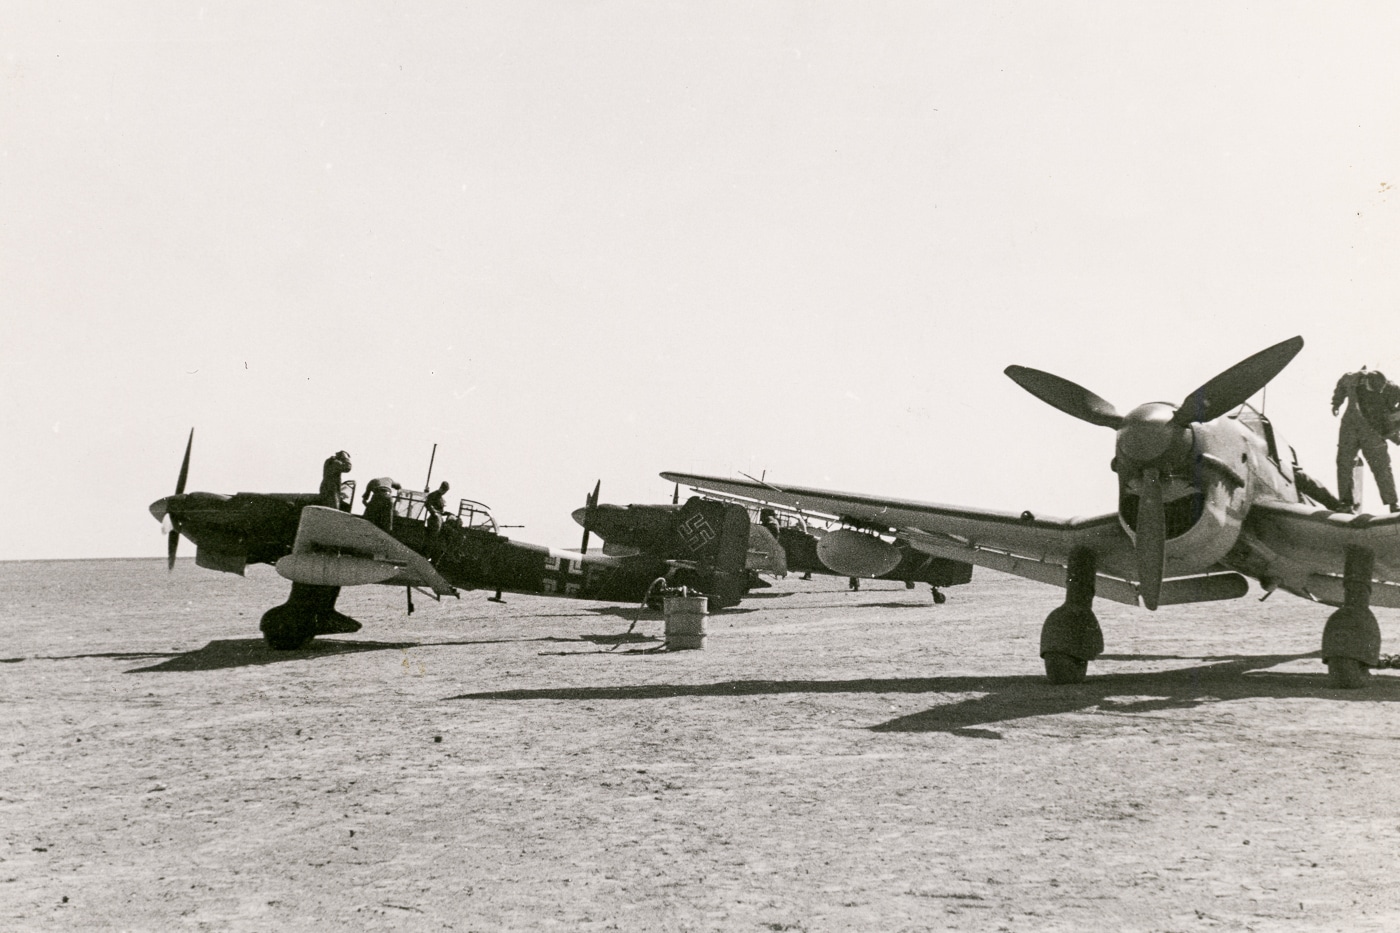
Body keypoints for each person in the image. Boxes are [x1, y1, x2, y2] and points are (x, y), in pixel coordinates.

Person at [1332, 368, 1399, 513]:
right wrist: (1336, 402)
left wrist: (1395, 422)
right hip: (1350, 428)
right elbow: (1341, 386)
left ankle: (1393, 503)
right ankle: (1346, 503)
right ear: (1365, 381)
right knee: (1344, 463)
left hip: (1372, 431)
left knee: (1381, 466)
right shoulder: (1352, 379)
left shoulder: (1391, 389)